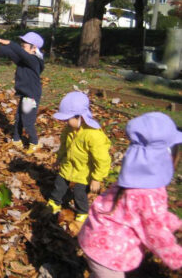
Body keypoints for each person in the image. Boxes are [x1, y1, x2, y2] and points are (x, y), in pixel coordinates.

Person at [78, 112, 182, 277]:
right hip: (109, 255)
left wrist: (175, 222)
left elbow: (150, 215)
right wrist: (177, 258)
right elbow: (155, 232)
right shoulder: (148, 193)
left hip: (96, 239)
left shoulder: (132, 179)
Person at [47, 91, 111, 223]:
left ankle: (82, 211)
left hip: (84, 171)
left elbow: (102, 159)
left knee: (79, 193)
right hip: (68, 165)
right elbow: (64, 146)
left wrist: (96, 178)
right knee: (59, 184)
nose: (65, 122)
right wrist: (59, 159)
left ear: (79, 117)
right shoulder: (68, 130)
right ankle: (55, 202)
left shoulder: (93, 135)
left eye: (68, 119)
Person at [0, 32, 44, 154]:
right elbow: (9, 53)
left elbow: (18, 52)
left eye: (24, 46)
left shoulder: (34, 60)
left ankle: (34, 143)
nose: (22, 48)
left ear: (34, 48)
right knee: (19, 119)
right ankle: (16, 139)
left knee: (27, 121)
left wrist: (10, 43)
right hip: (24, 94)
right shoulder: (24, 60)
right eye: (21, 45)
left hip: (31, 96)